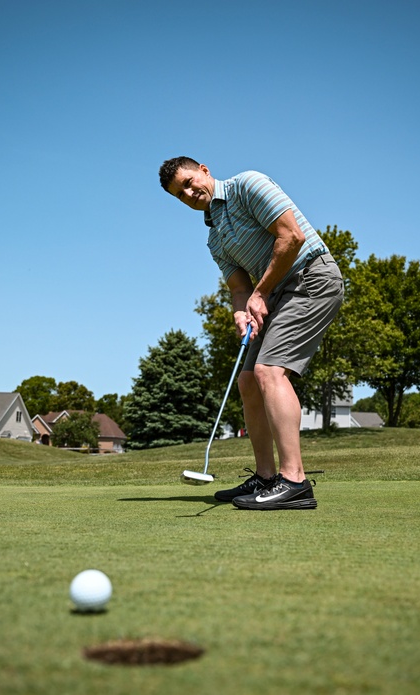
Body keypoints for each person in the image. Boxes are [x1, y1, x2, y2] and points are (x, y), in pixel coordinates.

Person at [158, 157, 344, 510]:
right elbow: (239, 289)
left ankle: (295, 482)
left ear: (203, 170)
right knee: (247, 381)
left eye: (188, 181)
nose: (188, 192)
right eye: (179, 194)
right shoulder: (215, 238)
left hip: (312, 278)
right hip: (274, 294)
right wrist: (241, 312)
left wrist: (259, 295)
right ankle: (266, 477)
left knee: (269, 371)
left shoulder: (247, 184)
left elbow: (292, 236)